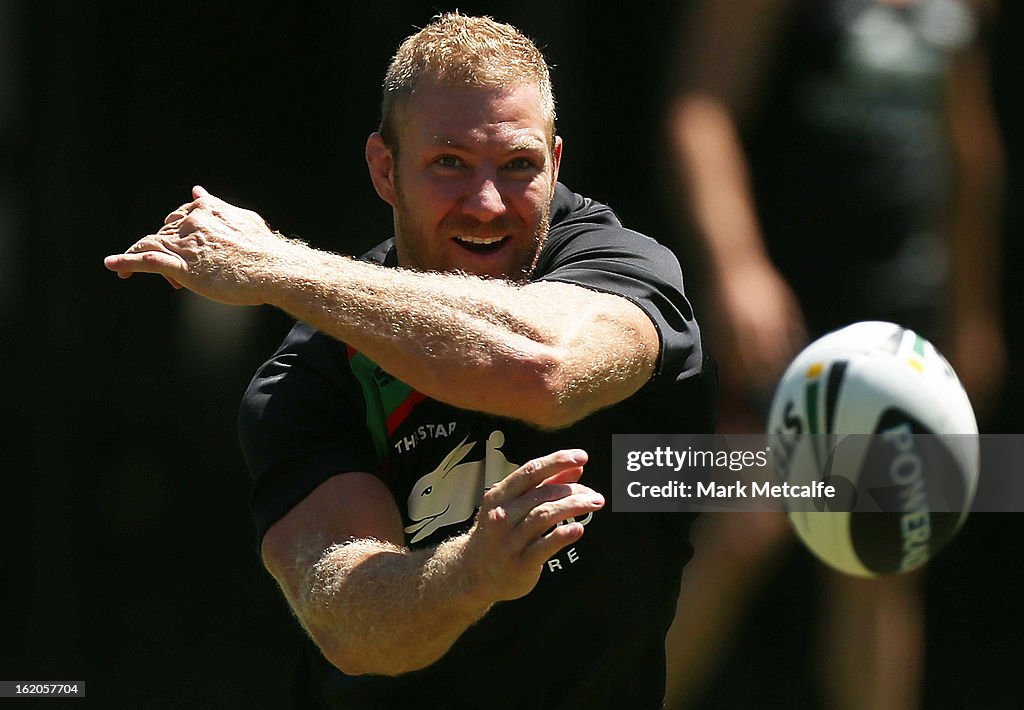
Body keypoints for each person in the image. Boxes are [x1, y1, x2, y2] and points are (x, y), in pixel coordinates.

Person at [105, 13, 716, 709]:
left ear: (556, 162)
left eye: (518, 165)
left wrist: (277, 267)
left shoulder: (620, 266)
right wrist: (473, 573)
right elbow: (348, 623)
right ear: (385, 170)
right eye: (449, 163)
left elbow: (545, 371)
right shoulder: (311, 374)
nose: (486, 205)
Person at [663, 1, 1005, 708]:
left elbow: (967, 140)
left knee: (882, 549)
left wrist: (972, 307)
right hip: (785, 300)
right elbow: (700, 112)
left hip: (902, 309)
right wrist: (737, 264)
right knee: (742, 525)